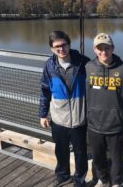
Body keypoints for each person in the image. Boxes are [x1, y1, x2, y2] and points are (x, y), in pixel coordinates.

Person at [39, 31, 89, 187]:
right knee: (61, 150)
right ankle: (63, 176)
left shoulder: (84, 63)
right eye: (57, 47)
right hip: (58, 119)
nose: (61, 49)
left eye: (63, 45)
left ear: (69, 44)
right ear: (52, 49)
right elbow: (45, 90)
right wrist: (42, 114)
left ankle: (79, 180)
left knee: (81, 153)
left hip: (79, 118)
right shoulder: (49, 65)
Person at [85, 33, 123, 187]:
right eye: (100, 48)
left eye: (107, 48)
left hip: (116, 124)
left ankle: (116, 182)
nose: (104, 52)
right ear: (94, 49)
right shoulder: (88, 67)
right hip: (94, 123)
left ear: (113, 48)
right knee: (97, 156)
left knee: (117, 157)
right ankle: (102, 179)